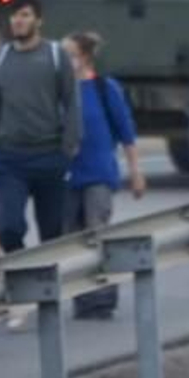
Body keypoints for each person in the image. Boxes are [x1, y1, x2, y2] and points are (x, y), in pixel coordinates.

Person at [0, 0, 81, 253]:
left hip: (50, 156)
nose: (18, 20)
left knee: (53, 233)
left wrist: (69, 147)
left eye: (25, 15)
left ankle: (47, 289)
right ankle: (22, 268)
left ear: (38, 21)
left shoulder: (56, 56)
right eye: (14, 15)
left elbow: (71, 101)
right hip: (11, 159)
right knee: (8, 228)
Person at [62, 33, 144, 319]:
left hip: (98, 173)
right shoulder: (59, 91)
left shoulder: (103, 88)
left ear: (84, 56)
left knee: (96, 232)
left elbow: (126, 133)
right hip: (67, 176)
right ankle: (81, 297)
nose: (65, 60)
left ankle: (103, 296)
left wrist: (135, 172)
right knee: (71, 238)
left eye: (70, 53)